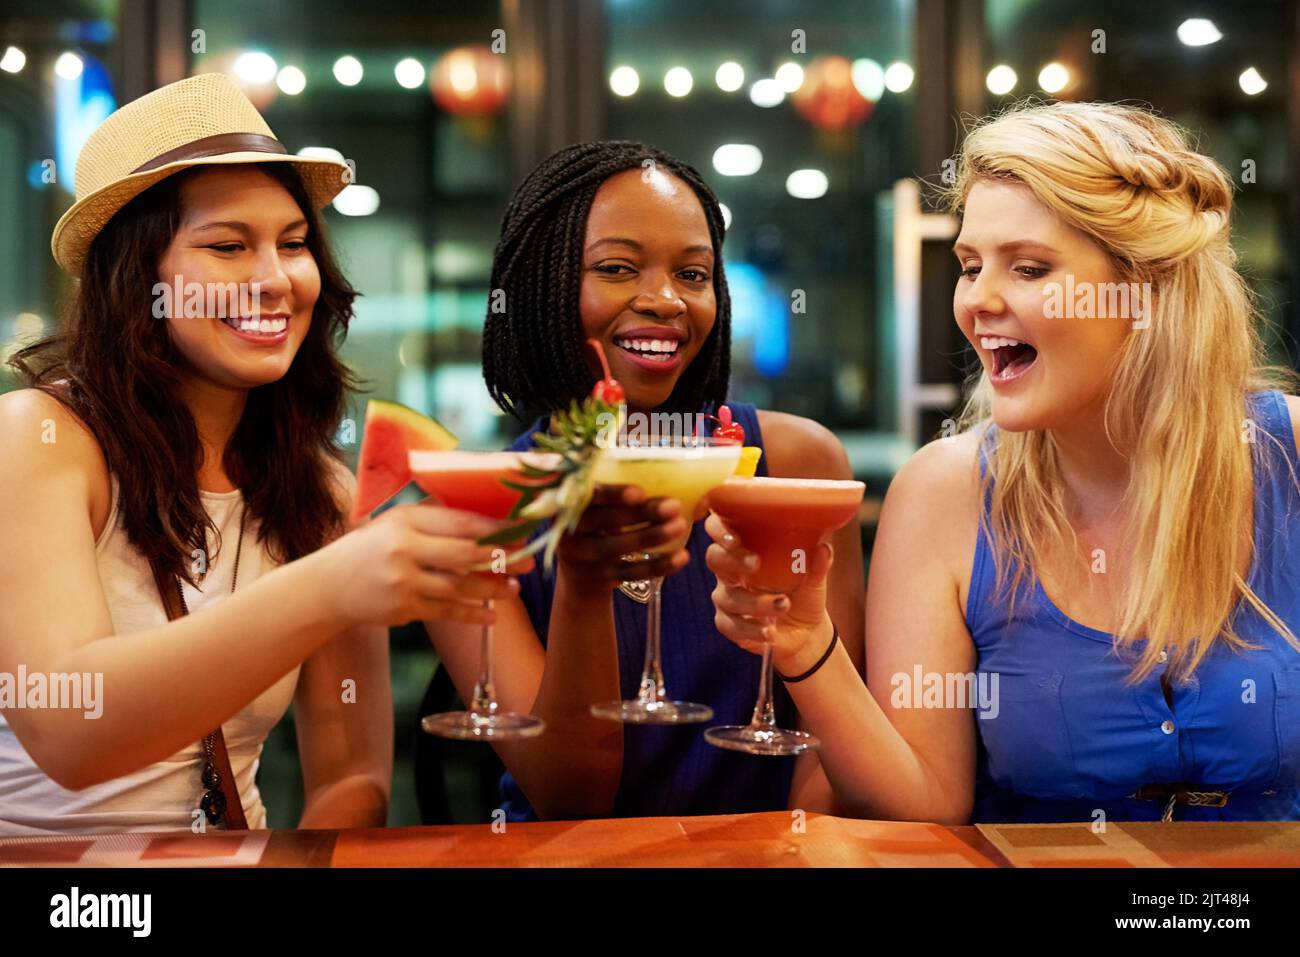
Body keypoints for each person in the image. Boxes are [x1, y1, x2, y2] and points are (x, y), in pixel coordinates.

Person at [707, 100, 1300, 823]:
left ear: (1145, 291)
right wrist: (806, 643)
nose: (976, 301)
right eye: (969, 266)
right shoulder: (945, 491)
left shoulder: (1286, 455)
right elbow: (923, 807)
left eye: (1028, 267)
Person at [0, 74, 527, 834]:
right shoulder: (38, 439)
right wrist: (329, 585)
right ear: (137, 276)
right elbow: (71, 730)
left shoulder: (315, 487)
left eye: (293, 242)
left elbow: (350, 777)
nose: (276, 279)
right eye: (227, 246)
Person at [423, 141, 865, 820]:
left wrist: (793, 848)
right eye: (617, 268)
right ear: (543, 284)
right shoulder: (478, 506)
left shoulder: (797, 461)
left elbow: (835, 753)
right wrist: (582, 584)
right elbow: (570, 794)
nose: (665, 300)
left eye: (693, 274)